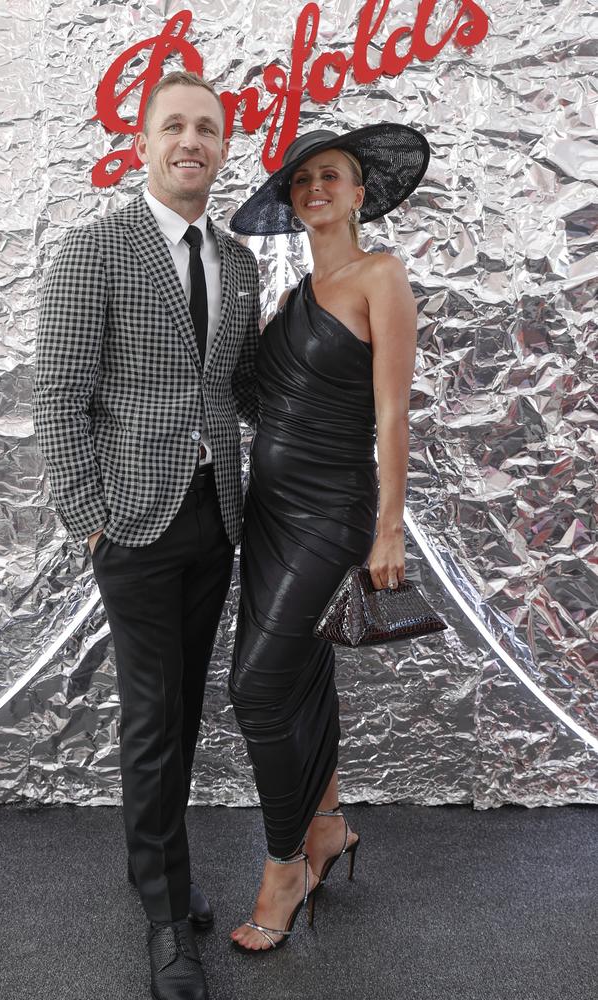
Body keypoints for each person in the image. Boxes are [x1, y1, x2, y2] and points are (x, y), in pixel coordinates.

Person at [33, 71, 260, 1000]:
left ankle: (156, 871)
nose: (192, 142)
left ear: (222, 145)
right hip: (131, 521)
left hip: (216, 516)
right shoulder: (97, 249)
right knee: (151, 719)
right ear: (143, 142)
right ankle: (168, 918)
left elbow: (234, 388)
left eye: (207, 128)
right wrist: (90, 522)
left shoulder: (239, 263)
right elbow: (57, 398)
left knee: (177, 710)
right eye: (175, 126)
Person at [227, 123, 430, 951]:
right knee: (301, 671)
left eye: (332, 176)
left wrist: (389, 528)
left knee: (256, 687)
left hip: (331, 512)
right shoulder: (289, 300)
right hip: (268, 511)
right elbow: (263, 404)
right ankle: (328, 826)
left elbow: (390, 411)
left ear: (359, 193)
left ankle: (285, 870)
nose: (315, 188)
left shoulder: (380, 276)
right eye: (302, 178)